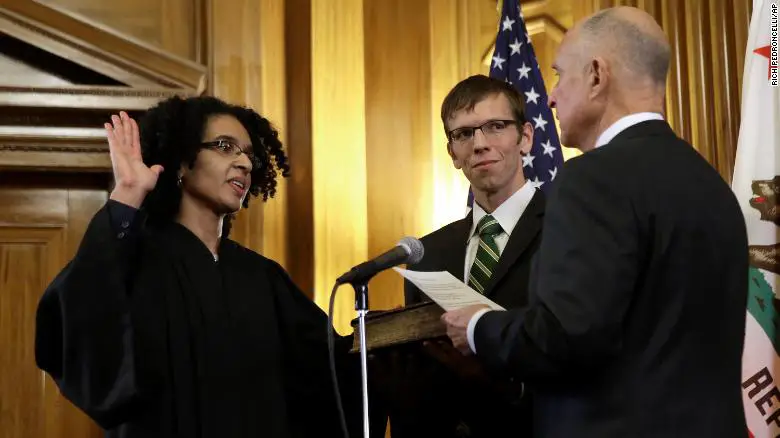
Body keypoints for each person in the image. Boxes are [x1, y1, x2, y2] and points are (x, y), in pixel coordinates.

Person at [441, 6, 749, 438]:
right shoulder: (713, 186)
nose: (550, 97)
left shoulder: (593, 179)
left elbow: (568, 336)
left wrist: (476, 327)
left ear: (596, 76)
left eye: (560, 76)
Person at [34, 96, 361, 438]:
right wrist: (129, 193)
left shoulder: (262, 278)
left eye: (249, 154)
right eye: (225, 147)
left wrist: (396, 342)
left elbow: (334, 376)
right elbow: (75, 321)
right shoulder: (134, 261)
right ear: (182, 163)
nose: (244, 164)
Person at [378, 75, 544, 438]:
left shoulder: (568, 228)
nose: (480, 144)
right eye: (464, 134)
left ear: (526, 137)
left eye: (496, 127)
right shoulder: (426, 252)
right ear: (453, 153)